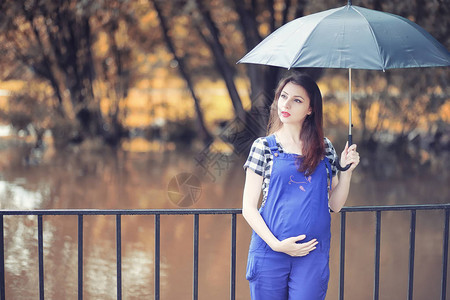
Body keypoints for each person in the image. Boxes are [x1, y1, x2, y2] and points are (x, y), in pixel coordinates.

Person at [242, 72, 360, 300]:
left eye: (297, 100)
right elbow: (248, 207)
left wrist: (346, 173)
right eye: (283, 96)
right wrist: (277, 245)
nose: (286, 104)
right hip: (270, 251)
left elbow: (334, 206)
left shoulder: (324, 147)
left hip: (311, 254)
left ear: (310, 109)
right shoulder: (263, 147)